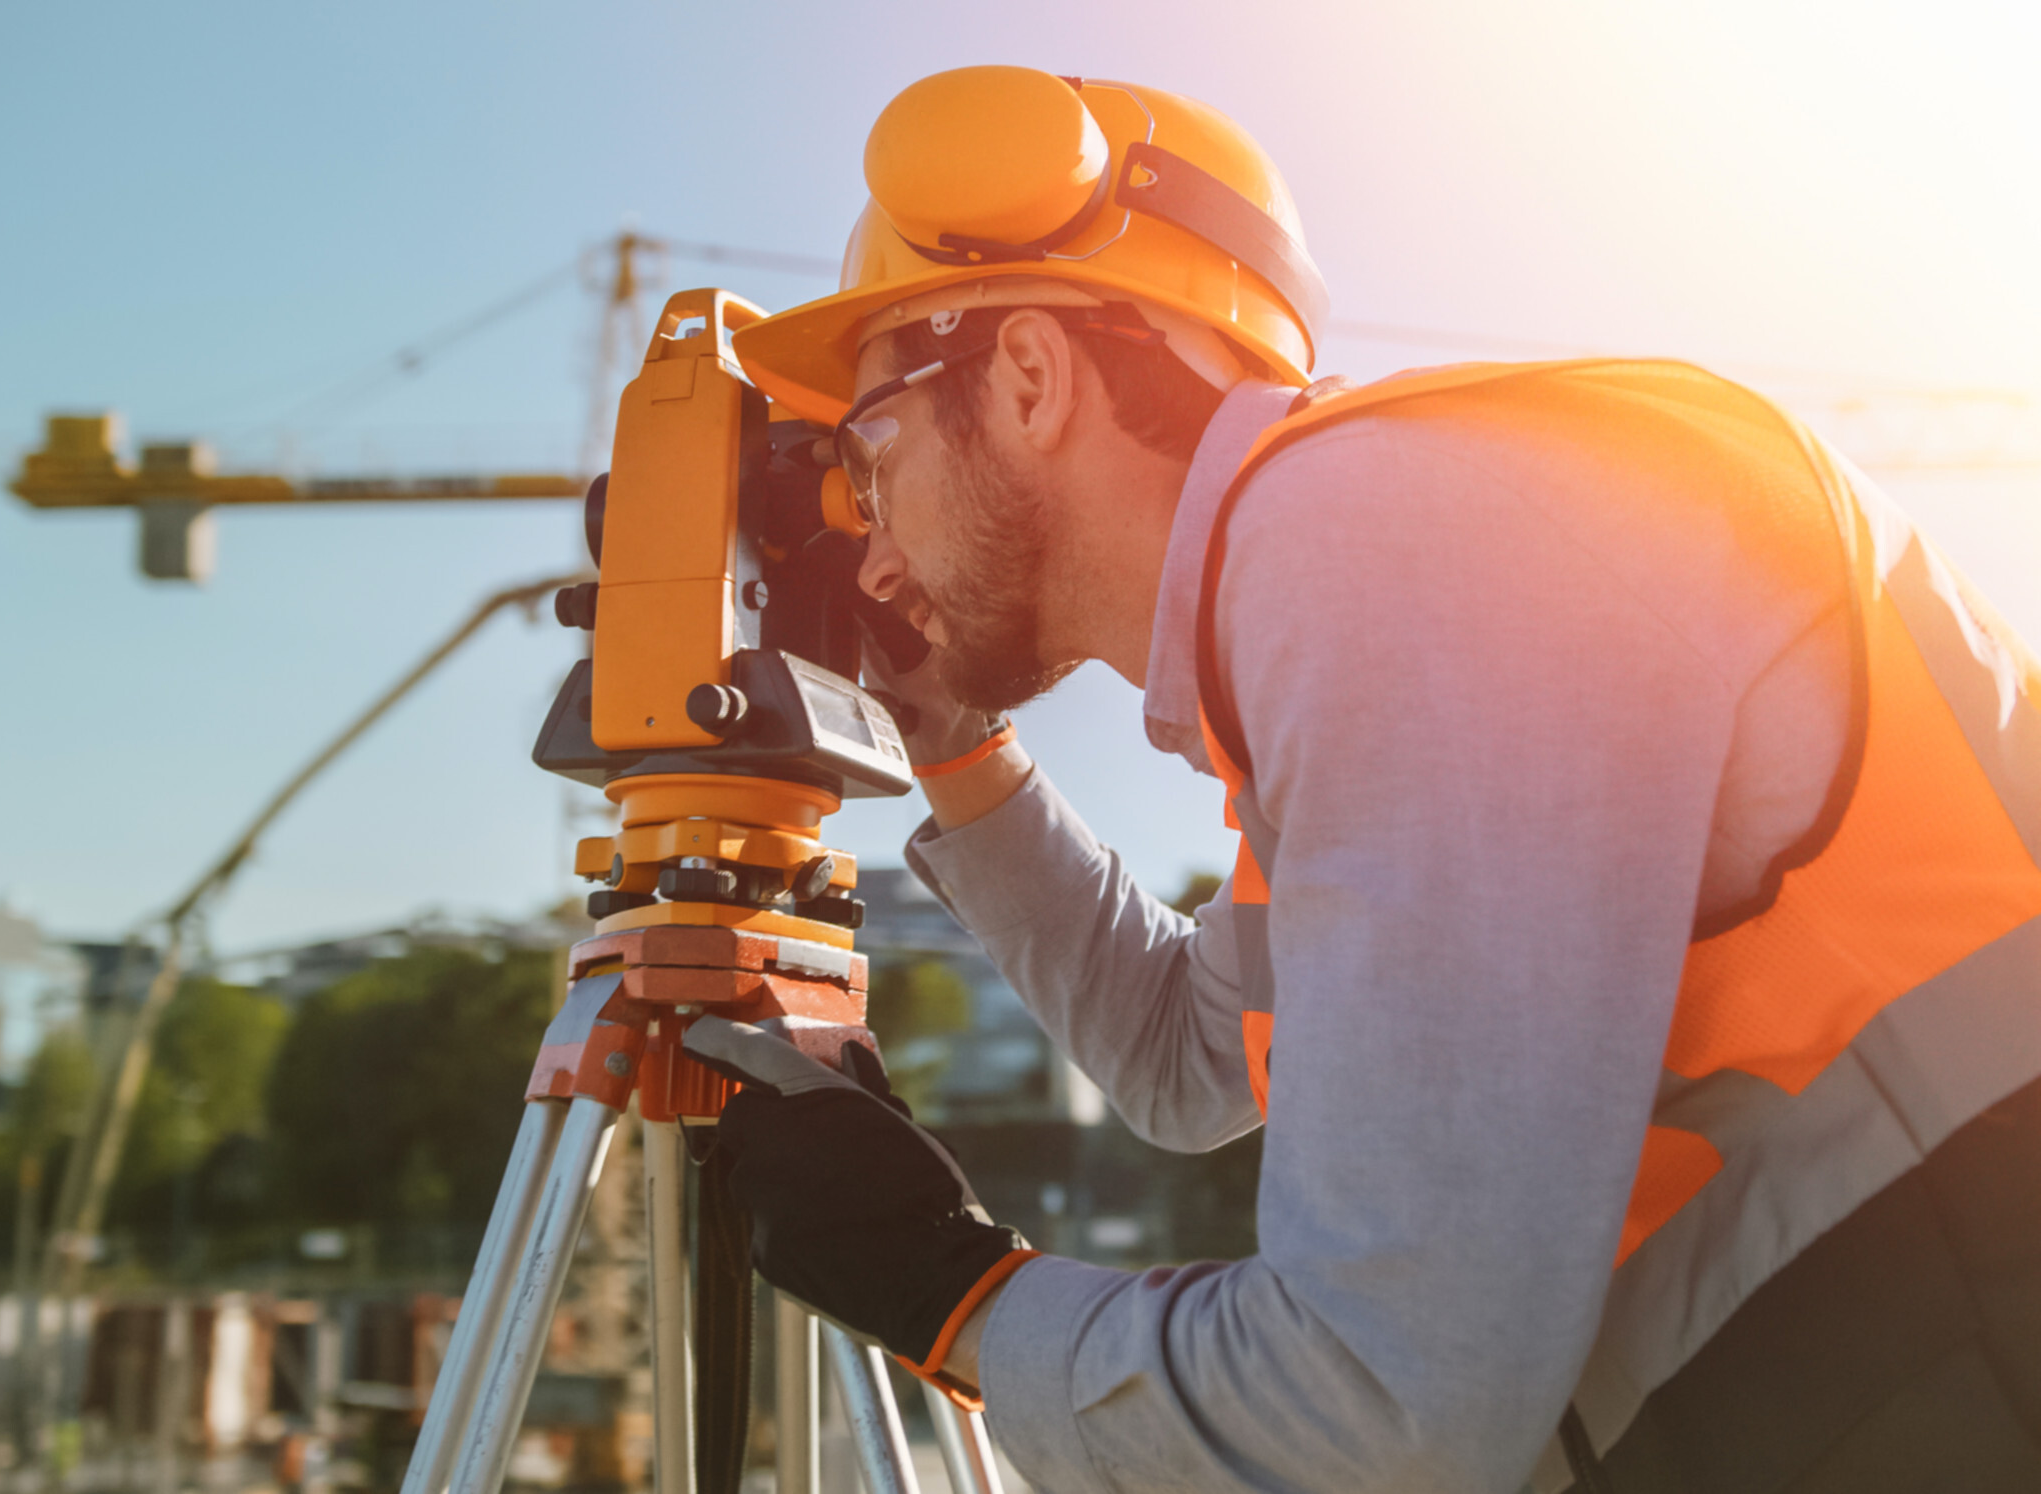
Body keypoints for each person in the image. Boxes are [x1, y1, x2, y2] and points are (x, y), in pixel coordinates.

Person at [681, 65, 2041, 1493]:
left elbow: (1387, 1410)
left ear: (1028, 376)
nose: (866, 545)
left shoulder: (1389, 548)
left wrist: (951, 1294)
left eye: (868, 455)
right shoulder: (1365, 576)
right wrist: (953, 741)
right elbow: (1186, 1059)